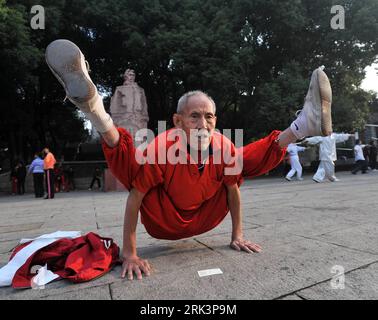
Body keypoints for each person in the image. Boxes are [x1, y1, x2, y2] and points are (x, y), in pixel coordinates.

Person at [45, 39, 333, 280]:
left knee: (240, 158)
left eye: (208, 117)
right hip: (163, 221)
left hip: (205, 216)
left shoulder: (222, 144)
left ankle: (301, 126)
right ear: (178, 121)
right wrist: (130, 253)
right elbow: (135, 197)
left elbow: (233, 191)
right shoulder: (163, 146)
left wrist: (237, 235)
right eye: (194, 116)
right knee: (136, 165)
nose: (202, 123)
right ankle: (95, 110)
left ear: (216, 120)